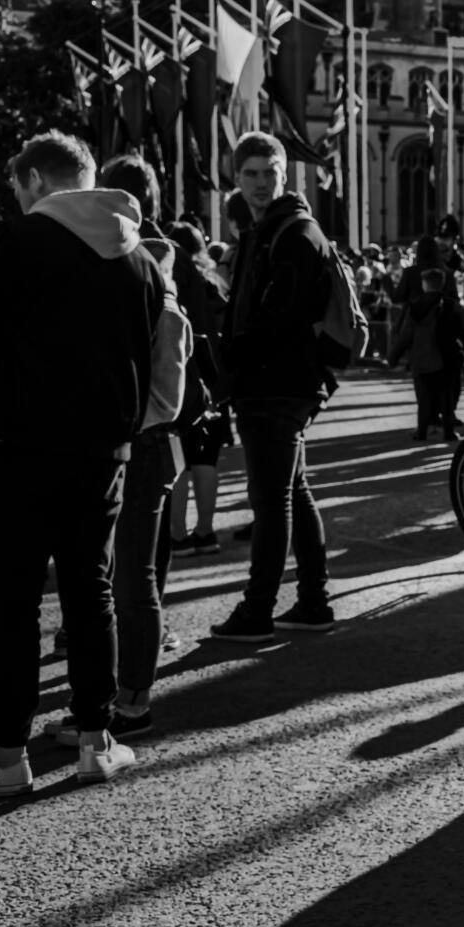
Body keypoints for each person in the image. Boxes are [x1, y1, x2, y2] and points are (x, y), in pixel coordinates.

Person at [0, 132, 183, 795]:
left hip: (15, 445)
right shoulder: (140, 259)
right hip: (104, 449)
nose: (16, 200)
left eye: (19, 188)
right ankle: (96, 737)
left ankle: (6, 753)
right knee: (91, 592)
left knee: (12, 606)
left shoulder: (20, 240)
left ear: (38, 183)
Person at [64, 154, 187, 743]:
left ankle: (131, 703)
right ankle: (116, 696)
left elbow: (166, 387)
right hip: (140, 438)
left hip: (142, 439)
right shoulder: (147, 269)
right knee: (120, 575)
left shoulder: (146, 276)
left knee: (131, 577)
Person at [209, 132, 339, 643]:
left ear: (285, 173)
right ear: (237, 178)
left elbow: (278, 318)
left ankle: (258, 608)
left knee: (271, 500)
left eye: (269, 172)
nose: (261, 183)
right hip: (280, 381)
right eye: (251, 174)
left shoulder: (295, 232)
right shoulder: (272, 228)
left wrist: (233, 366)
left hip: (276, 383)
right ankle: (313, 601)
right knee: (294, 493)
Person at [166, 222, 228, 555]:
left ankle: (178, 534)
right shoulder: (211, 283)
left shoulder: (167, 280)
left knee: (180, 462)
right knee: (207, 460)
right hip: (213, 379)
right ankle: (206, 531)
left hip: (179, 379)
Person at [391, 267, 464, 441]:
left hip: (420, 356)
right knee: (446, 397)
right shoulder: (451, 305)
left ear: (425, 284)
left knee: (423, 398)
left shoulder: (415, 307)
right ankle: (449, 431)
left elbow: (406, 335)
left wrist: (393, 357)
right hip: (445, 356)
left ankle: (422, 431)